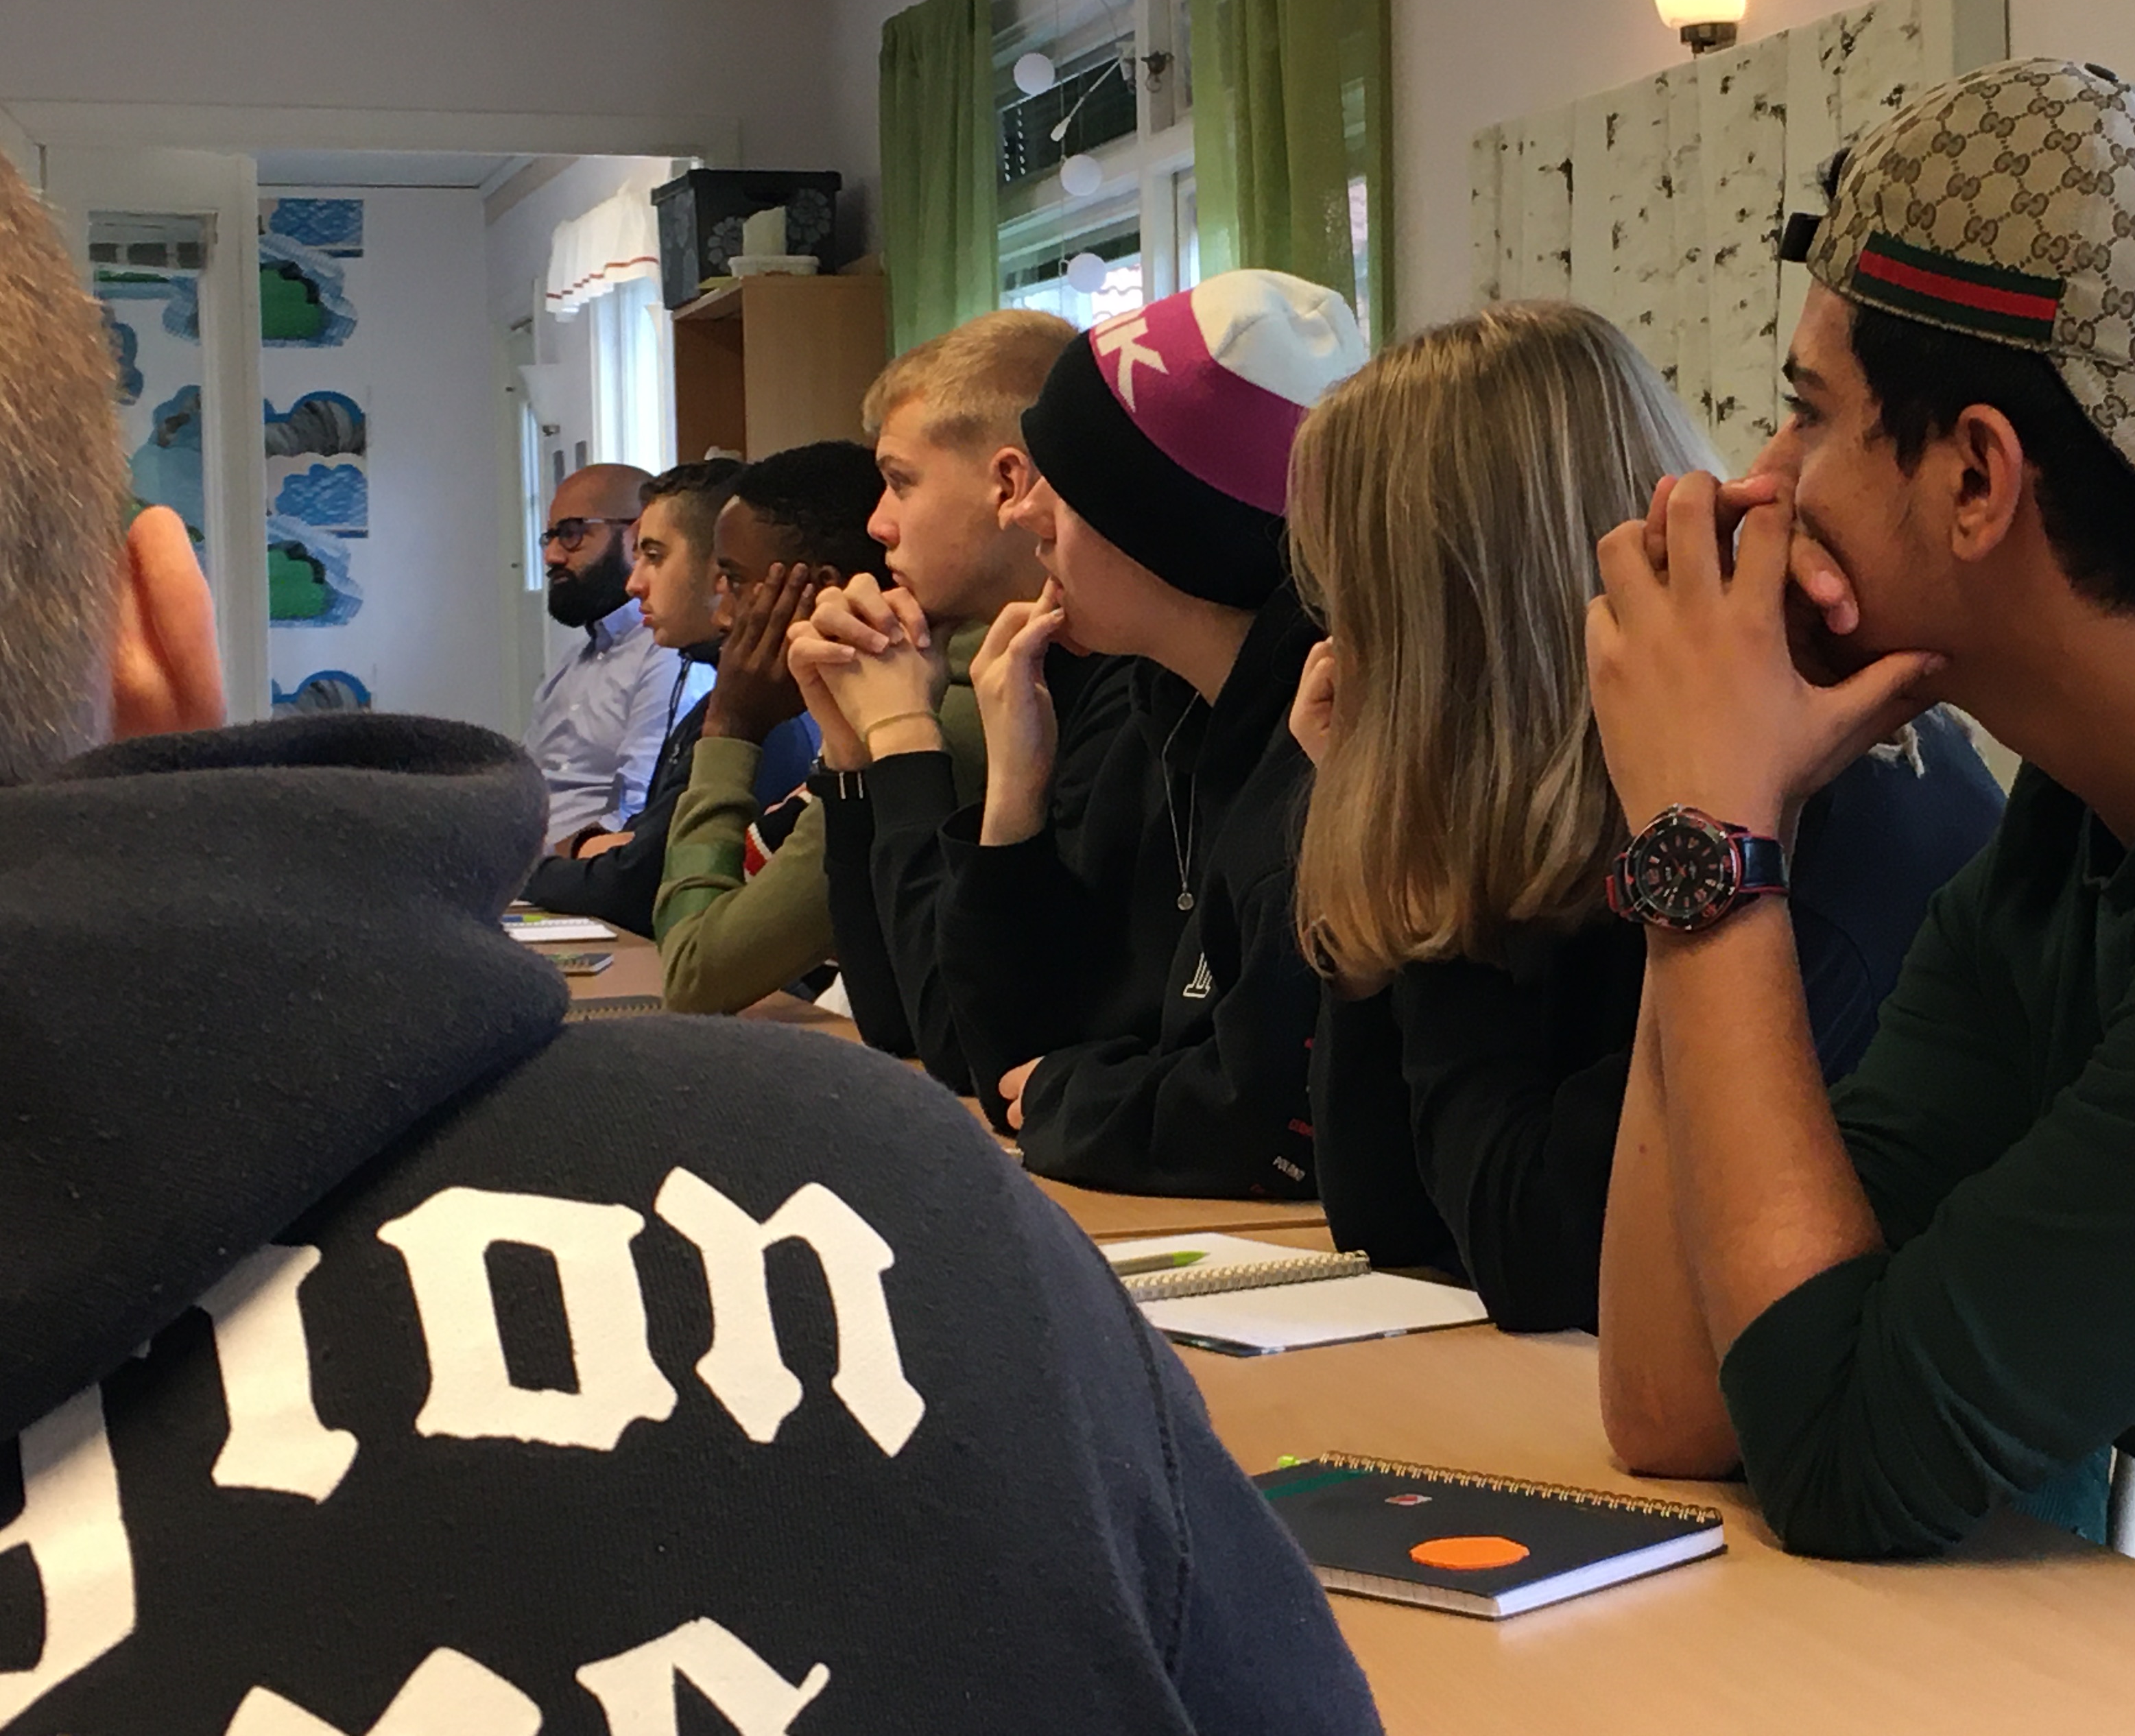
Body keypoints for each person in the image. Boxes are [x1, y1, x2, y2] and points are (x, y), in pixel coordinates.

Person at [0, 156, 1379, 1732]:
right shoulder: (879, 1110)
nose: (889, 525)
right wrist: (872, 766)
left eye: (707, 565)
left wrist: (875, 763)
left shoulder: (1103, 717)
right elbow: (951, 1033)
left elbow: (893, 1010)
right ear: (168, 651)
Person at [1586, 58, 2135, 1584]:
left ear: (1976, 477)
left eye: (1808, 418)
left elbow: (1847, 1458)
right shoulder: (2075, 816)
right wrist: (1702, 829)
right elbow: (1680, 1402)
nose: (1762, 487)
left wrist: (1711, 827)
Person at [1287, 300, 2002, 1333]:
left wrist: (1418, 844)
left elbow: (1548, 1260)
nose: (1340, 640)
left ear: (1441, 632)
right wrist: (1388, 838)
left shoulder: (1810, 793)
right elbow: (1378, 1212)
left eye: (1359, 601)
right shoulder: (1573, 797)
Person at [927, 269, 1364, 1193]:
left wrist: (1073, 1094)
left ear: (1167, 529)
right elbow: (1002, 1064)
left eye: (1068, 484)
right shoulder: (1155, 715)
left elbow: (1263, 1122)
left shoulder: (1331, 736)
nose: (1025, 512)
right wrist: (1014, 799)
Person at [788, 309, 1101, 1093]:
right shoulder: (1011, 667)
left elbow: (959, 1043)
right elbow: (892, 1014)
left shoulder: (1105, 690)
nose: (877, 523)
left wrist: (903, 734)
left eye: (901, 482)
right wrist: (852, 752)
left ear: (1009, 485)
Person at [652, 441, 904, 1017]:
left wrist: (730, 727)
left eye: (736, 582)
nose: (723, 615)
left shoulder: (894, 737)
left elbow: (694, 975)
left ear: (819, 589)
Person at [521, 457, 813, 936]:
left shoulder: (761, 714)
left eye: (654, 556)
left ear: (721, 572)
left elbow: (635, 884)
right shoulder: (720, 702)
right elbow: (641, 847)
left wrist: (522, 869)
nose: (634, 583)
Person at [525, 461, 698, 848]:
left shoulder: (666, 654)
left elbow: (633, 818)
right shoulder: (574, 662)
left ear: (635, 537)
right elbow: (528, 783)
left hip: (580, 869)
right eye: (550, 537)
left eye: (572, 533)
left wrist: (543, 864)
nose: (551, 555)